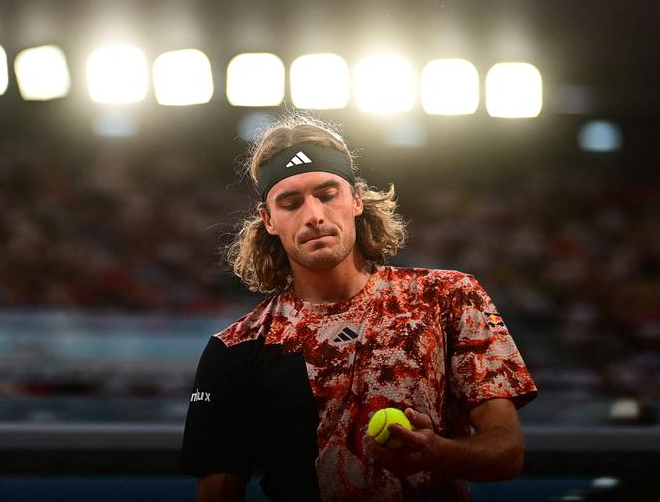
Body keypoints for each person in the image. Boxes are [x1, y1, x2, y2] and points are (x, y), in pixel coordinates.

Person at [181, 115, 537, 501]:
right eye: (290, 203)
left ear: (356, 200)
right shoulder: (235, 348)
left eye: (327, 193)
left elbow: (507, 454)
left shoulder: (448, 297)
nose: (314, 215)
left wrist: (436, 452)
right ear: (268, 220)